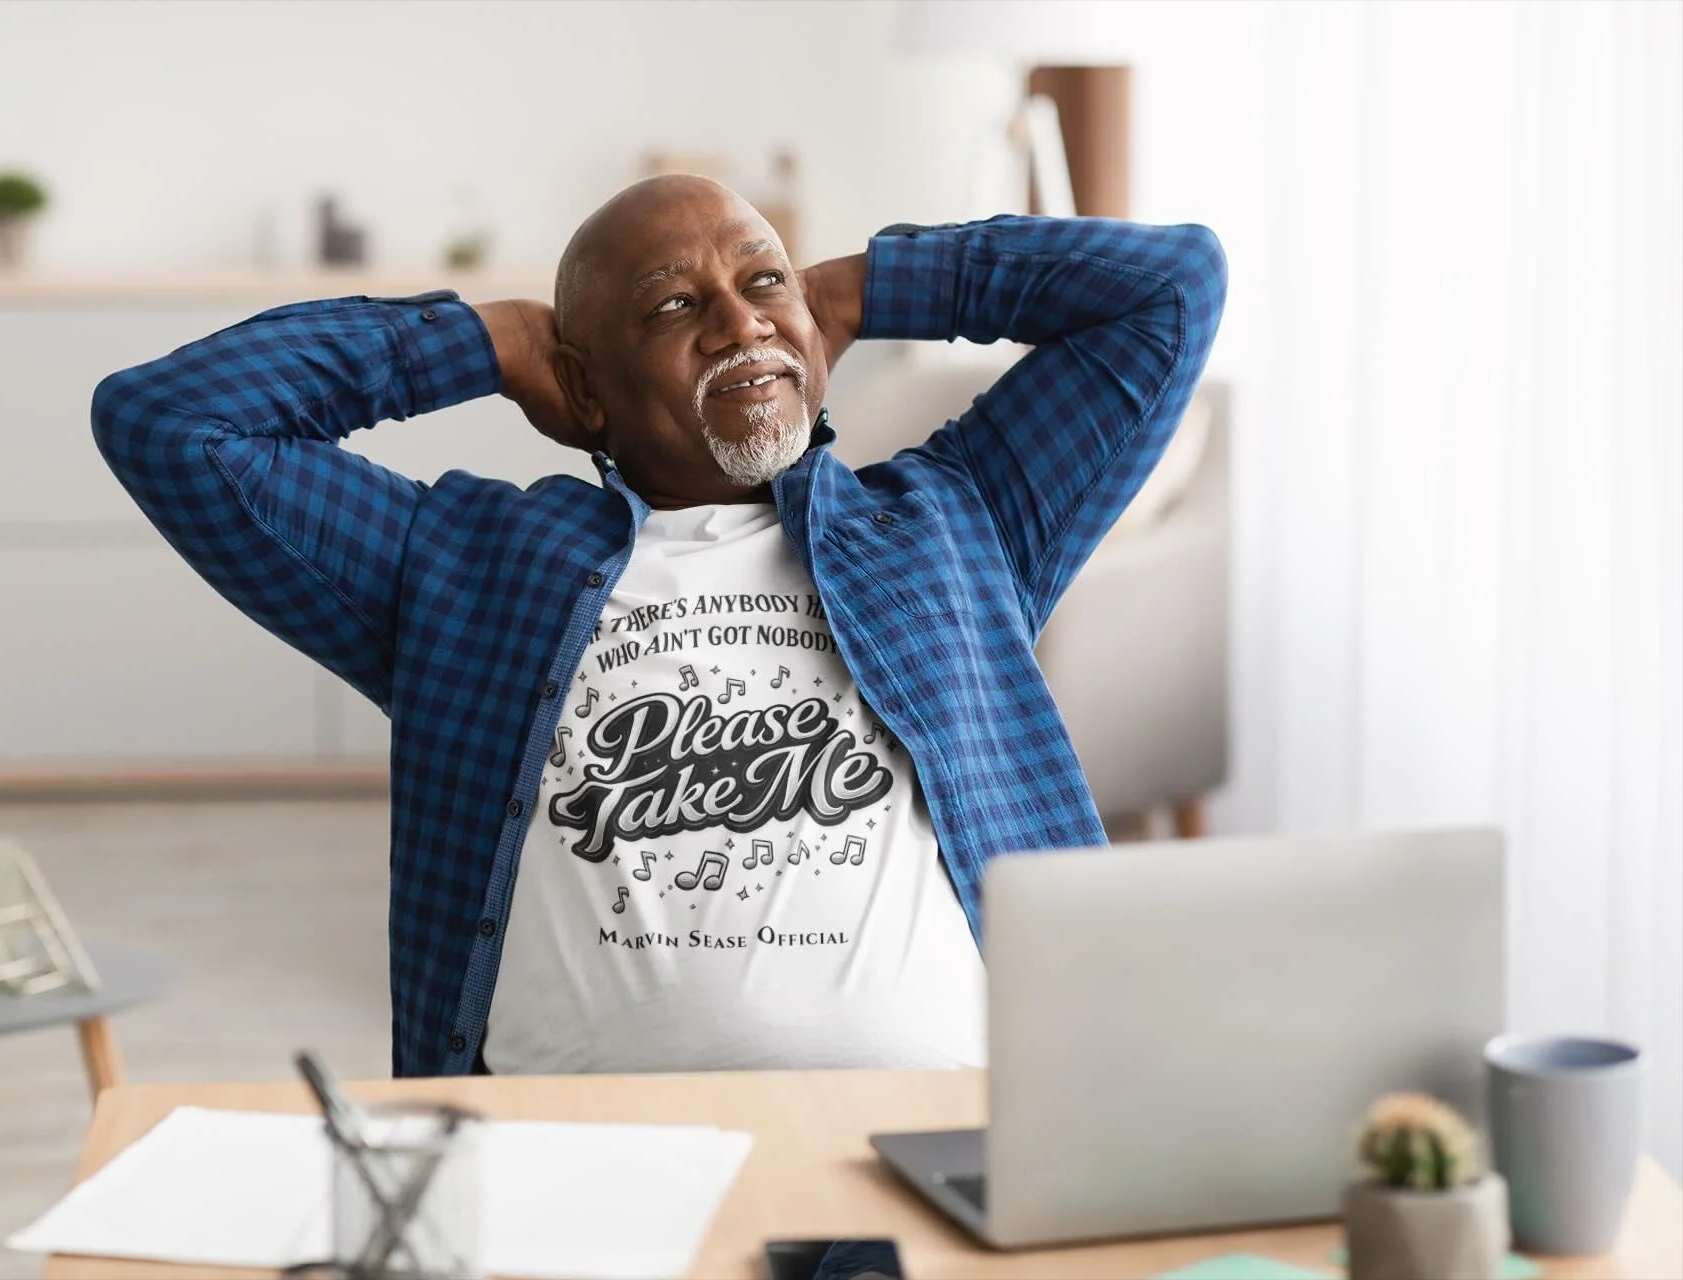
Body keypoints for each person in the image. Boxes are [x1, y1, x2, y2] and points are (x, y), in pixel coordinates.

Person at [92, 176, 1227, 1078]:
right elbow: (169, 421)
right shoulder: (460, 568)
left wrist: (858, 291)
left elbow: (1171, 286)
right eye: (676, 304)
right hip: (593, 1178)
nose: (740, 322)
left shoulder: (953, 522)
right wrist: (482, 342)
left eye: (761, 282)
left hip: (930, 1154)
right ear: (583, 391)